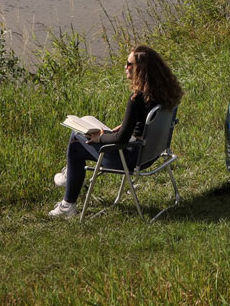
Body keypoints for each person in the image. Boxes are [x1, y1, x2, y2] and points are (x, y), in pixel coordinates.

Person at [49, 45, 184, 218]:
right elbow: (145, 121)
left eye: (129, 64)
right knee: (87, 120)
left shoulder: (137, 98)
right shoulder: (164, 93)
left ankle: (68, 203)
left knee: (76, 140)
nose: (125, 67)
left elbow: (121, 139)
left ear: (141, 69)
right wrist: (126, 125)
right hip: (151, 153)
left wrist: (100, 138)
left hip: (131, 159)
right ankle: (70, 175)